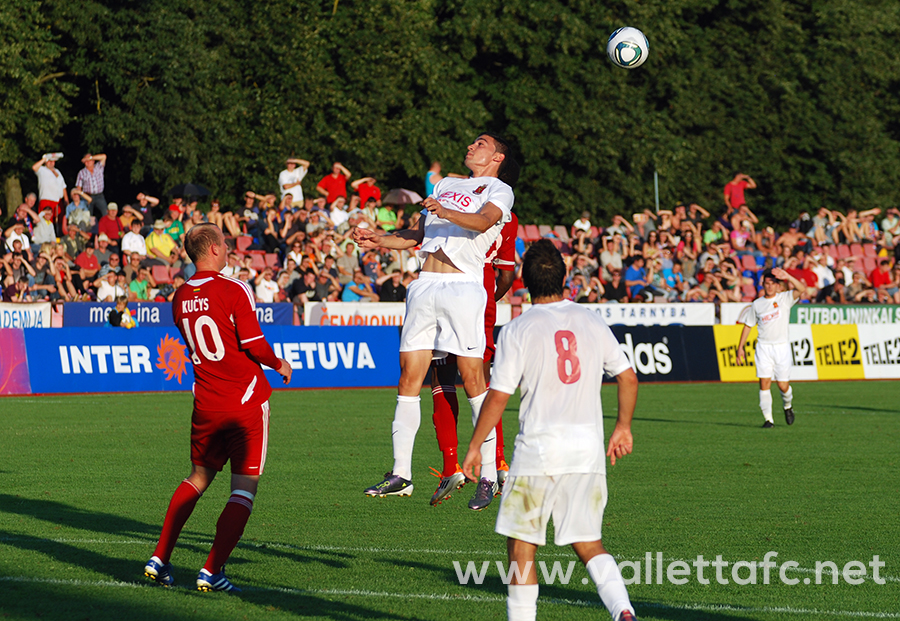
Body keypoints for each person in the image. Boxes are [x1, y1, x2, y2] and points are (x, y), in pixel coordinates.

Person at [461, 239, 639, 621]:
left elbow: (498, 397)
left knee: (522, 545)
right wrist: (622, 427)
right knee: (588, 541)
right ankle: (623, 609)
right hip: (586, 451)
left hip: (538, 451)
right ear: (565, 279)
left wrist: (476, 446)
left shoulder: (518, 329)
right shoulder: (591, 320)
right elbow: (627, 377)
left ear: (523, 283)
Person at [354, 133, 518, 510]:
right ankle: (401, 474)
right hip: (425, 284)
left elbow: (482, 221)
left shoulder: (499, 189)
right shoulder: (445, 185)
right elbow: (418, 235)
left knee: (473, 379)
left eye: (480, 143)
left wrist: (445, 212)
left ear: (497, 157)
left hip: (463, 286)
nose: (471, 146)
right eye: (472, 142)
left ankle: (490, 476)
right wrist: (377, 238)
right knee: (409, 377)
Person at [143, 223, 291, 592]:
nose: (228, 249)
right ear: (211, 249)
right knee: (243, 489)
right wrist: (278, 363)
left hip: (206, 403)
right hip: (244, 402)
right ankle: (211, 571)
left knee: (197, 478)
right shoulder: (233, 288)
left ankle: (159, 558)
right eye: (224, 244)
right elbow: (253, 343)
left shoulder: (178, 297)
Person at [428, 212, 519, 507]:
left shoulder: (458, 209)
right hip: (481, 294)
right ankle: (499, 462)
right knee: (480, 382)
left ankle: (451, 465)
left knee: (443, 375)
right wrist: (489, 300)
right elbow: (507, 274)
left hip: (449, 289)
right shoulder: (509, 217)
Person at [736, 268, 808, 428]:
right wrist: (740, 347)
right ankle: (768, 420)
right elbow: (748, 325)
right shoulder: (757, 304)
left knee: (783, 385)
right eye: (766, 284)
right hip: (763, 347)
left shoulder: (785, 299)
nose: (769, 287)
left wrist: (788, 276)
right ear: (763, 285)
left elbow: (802, 289)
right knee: (764, 383)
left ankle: (788, 406)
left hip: (781, 347)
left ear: (777, 286)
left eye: (772, 284)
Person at [32, 154, 69, 223]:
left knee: (59, 221)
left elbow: (63, 186)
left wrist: (66, 200)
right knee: (45, 221)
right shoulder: (42, 169)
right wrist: (44, 159)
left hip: (58, 201)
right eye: (49, 161)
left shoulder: (58, 171)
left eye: (53, 161)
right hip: (46, 199)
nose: (51, 163)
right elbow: (34, 167)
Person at [75, 152, 108, 217]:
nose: (88, 162)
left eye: (89, 160)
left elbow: (104, 156)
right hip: (87, 196)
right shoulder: (81, 172)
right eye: (86, 161)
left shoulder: (99, 167)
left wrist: (90, 157)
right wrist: (81, 197)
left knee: (105, 213)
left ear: (93, 161)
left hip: (99, 196)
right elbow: (78, 187)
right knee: (87, 215)